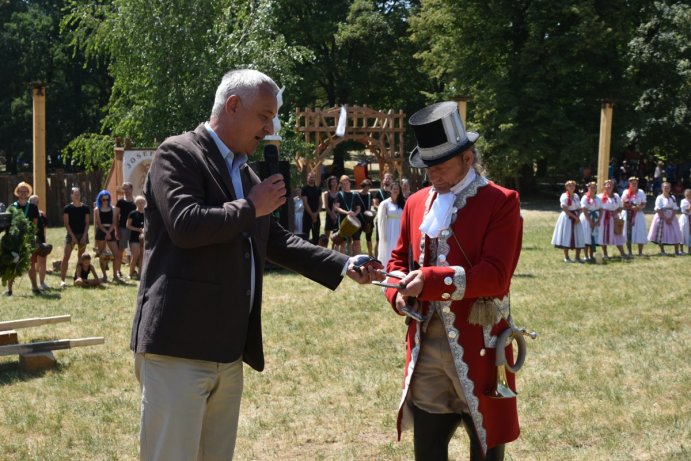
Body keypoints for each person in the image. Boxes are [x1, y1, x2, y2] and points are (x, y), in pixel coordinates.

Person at [129, 69, 379, 461]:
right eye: (264, 115)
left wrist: (344, 264)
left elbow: (274, 239)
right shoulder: (177, 153)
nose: (270, 128)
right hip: (177, 348)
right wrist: (251, 205)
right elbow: (186, 224)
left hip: (227, 352)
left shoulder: (244, 172)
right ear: (232, 106)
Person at [382, 101, 522, 460]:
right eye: (429, 168)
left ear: (468, 159)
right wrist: (398, 296)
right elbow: (399, 260)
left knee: (486, 452)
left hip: (482, 344)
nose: (434, 176)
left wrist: (428, 281)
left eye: (442, 166)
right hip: (426, 347)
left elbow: (495, 277)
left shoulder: (500, 202)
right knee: (427, 451)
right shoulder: (415, 203)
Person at [5, 181, 41, 295]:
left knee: (30, 264)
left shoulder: (33, 207)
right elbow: (7, 225)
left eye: (25, 191)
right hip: (14, 241)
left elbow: (35, 224)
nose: (23, 193)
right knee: (12, 264)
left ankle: (35, 288)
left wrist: (32, 237)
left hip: (28, 240)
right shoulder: (12, 207)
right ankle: (9, 290)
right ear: (17, 193)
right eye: (21, 191)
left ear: (28, 193)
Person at [60, 187, 91, 288]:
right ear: (71, 195)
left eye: (78, 194)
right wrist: (72, 236)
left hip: (82, 235)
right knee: (66, 257)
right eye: (75, 194)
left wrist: (84, 236)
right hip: (71, 234)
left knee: (81, 258)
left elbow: (87, 223)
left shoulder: (85, 208)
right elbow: (66, 224)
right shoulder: (67, 208)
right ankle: (62, 280)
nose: (77, 196)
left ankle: (77, 278)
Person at [551, 180, 585, 262]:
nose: (571, 187)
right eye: (569, 185)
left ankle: (577, 257)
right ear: (566, 187)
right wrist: (574, 217)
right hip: (567, 217)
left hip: (576, 216)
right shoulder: (564, 196)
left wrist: (578, 216)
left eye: (573, 185)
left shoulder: (576, 196)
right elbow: (565, 208)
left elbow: (579, 207)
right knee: (567, 235)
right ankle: (567, 257)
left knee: (578, 235)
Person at [647, 181, 683, 255]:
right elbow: (658, 209)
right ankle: (662, 251)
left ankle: (677, 251)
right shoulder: (659, 198)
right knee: (661, 233)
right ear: (662, 188)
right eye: (665, 188)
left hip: (672, 217)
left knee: (675, 232)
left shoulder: (672, 197)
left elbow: (675, 208)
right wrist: (666, 218)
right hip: (662, 217)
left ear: (670, 189)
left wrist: (671, 218)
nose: (666, 189)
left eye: (668, 188)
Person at [375, 180, 404, 268]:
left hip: (399, 229)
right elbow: (381, 220)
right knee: (388, 248)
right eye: (394, 189)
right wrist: (383, 234)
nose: (395, 190)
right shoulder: (385, 204)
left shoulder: (402, 203)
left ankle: (397, 267)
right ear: (390, 190)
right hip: (389, 229)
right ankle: (385, 268)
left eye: (397, 189)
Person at [597, 179, 628, 260]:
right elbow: (597, 208)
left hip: (614, 217)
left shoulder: (616, 196)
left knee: (617, 234)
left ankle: (622, 253)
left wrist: (616, 211)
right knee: (604, 235)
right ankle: (605, 254)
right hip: (604, 217)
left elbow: (621, 207)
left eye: (611, 184)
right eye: (607, 184)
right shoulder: (599, 196)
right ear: (604, 186)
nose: (609, 186)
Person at [93, 189, 120, 281]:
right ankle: (104, 275)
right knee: (102, 255)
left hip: (110, 230)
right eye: (103, 199)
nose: (105, 201)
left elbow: (114, 222)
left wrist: (109, 233)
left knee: (116, 254)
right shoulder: (97, 209)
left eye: (107, 199)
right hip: (101, 231)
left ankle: (115, 275)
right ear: (100, 200)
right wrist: (105, 232)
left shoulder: (113, 209)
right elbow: (98, 223)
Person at [334, 174, 362, 256]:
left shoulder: (355, 194)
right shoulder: (339, 194)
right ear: (341, 185)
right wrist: (347, 213)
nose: (345, 185)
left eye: (346, 183)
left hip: (354, 221)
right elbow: (336, 207)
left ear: (350, 183)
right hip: (344, 220)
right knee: (343, 242)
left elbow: (359, 208)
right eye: (343, 184)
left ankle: (358, 261)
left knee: (356, 242)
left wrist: (355, 214)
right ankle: (342, 261)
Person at [621, 177, 648, 256]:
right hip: (628, 214)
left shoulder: (641, 192)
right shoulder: (626, 192)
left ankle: (640, 252)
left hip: (638, 214)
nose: (634, 185)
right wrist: (630, 207)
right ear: (629, 184)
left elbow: (644, 203)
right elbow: (623, 203)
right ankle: (630, 252)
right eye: (632, 183)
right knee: (628, 233)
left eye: (635, 183)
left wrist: (639, 208)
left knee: (640, 232)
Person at [29, 194, 52, 289]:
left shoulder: (41, 214)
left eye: (37, 201)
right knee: (32, 263)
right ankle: (34, 284)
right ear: (30, 202)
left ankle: (42, 283)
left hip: (41, 240)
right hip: (31, 241)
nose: (36, 203)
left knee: (42, 262)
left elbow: (45, 227)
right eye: (34, 201)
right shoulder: (27, 213)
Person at [115, 182, 136, 278]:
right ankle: (118, 271)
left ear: (132, 189)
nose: (126, 191)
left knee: (135, 251)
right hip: (122, 228)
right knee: (120, 250)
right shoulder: (120, 202)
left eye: (128, 189)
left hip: (134, 229)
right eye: (124, 189)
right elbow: (115, 216)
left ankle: (132, 271)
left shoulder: (136, 202)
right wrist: (116, 229)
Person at [579, 182, 601, 262]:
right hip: (586, 218)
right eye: (591, 187)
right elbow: (584, 210)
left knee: (593, 237)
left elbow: (601, 209)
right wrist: (590, 221)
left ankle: (591, 255)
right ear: (588, 188)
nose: (592, 189)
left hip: (595, 217)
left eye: (594, 187)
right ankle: (586, 255)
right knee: (586, 236)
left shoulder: (598, 198)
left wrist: (598, 220)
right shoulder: (585, 198)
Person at [126, 195, 146, 280]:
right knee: (135, 256)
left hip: (144, 237)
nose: (141, 204)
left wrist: (144, 229)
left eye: (142, 202)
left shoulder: (146, 213)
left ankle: (140, 274)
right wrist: (138, 229)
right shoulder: (132, 213)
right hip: (134, 237)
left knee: (142, 256)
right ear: (136, 203)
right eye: (139, 202)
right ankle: (131, 273)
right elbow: (128, 226)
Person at [301, 171, 321, 244]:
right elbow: (305, 203)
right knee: (305, 237)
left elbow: (320, 203)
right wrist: (312, 215)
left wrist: (316, 214)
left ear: (315, 178)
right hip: (307, 215)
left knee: (316, 237)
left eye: (313, 177)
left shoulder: (318, 189)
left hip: (316, 215)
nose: (312, 179)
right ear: (307, 178)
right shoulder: (304, 189)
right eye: (310, 177)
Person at [358, 179, 375, 257]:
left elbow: (371, 204)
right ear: (363, 186)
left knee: (369, 238)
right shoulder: (357, 195)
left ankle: (370, 255)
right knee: (357, 238)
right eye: (366, 187)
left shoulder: (369, 195)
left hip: (368, 219)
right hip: (360, 219)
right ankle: (358, 254)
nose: (367, 189)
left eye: (369, 187)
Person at [322, 175, 340, 247]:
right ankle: (325, 249)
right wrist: (332, 216)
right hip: (329, 215)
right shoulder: (326, 193)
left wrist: (336, 216)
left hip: (337, 216)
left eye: (335, 181)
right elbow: (326, 206)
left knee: (335, 236)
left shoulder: (339, 193)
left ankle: (333, 250)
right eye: (332, 182)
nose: (334, 183)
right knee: (326, 235)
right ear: (329, 183)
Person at [679, 189, 691, 254]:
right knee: (682, 233)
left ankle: (689, 250)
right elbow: (686, 210)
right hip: (685, 218)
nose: (688, 196)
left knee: (690, 234)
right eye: (687, 194)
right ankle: (681, 250)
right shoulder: (683, 201)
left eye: (689, 194)